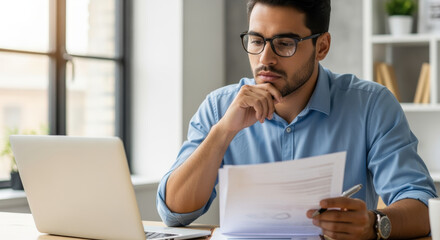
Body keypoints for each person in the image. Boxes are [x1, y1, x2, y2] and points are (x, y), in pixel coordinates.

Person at [156, 0, 438, 239]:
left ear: (322, 46)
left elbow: (423, 206)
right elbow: (174, 213)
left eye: (284, 43)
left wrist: (374, 224)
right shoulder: (220, 107)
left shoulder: (371, 105)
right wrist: (223, 132)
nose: (265, 59)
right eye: (256, 41)